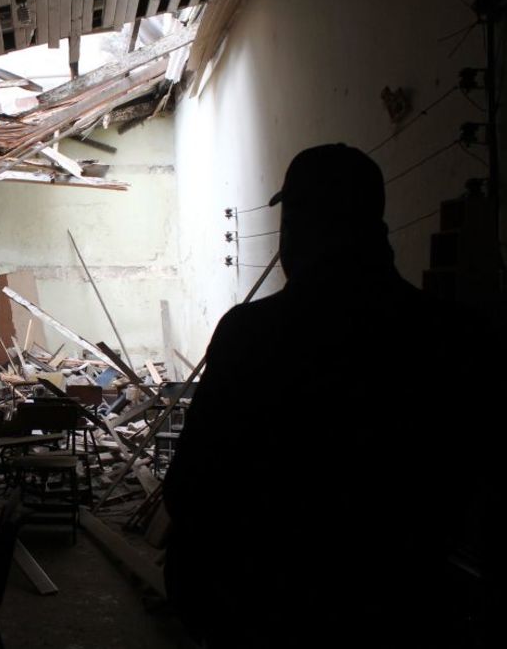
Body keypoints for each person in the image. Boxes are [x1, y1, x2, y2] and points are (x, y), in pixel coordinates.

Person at [162, 144, 503, 648]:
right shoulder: (455, 337)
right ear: (375, 222)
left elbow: (189, 492)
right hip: (406, 613)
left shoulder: (252, 335)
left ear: (297, 224)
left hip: (271, 615)